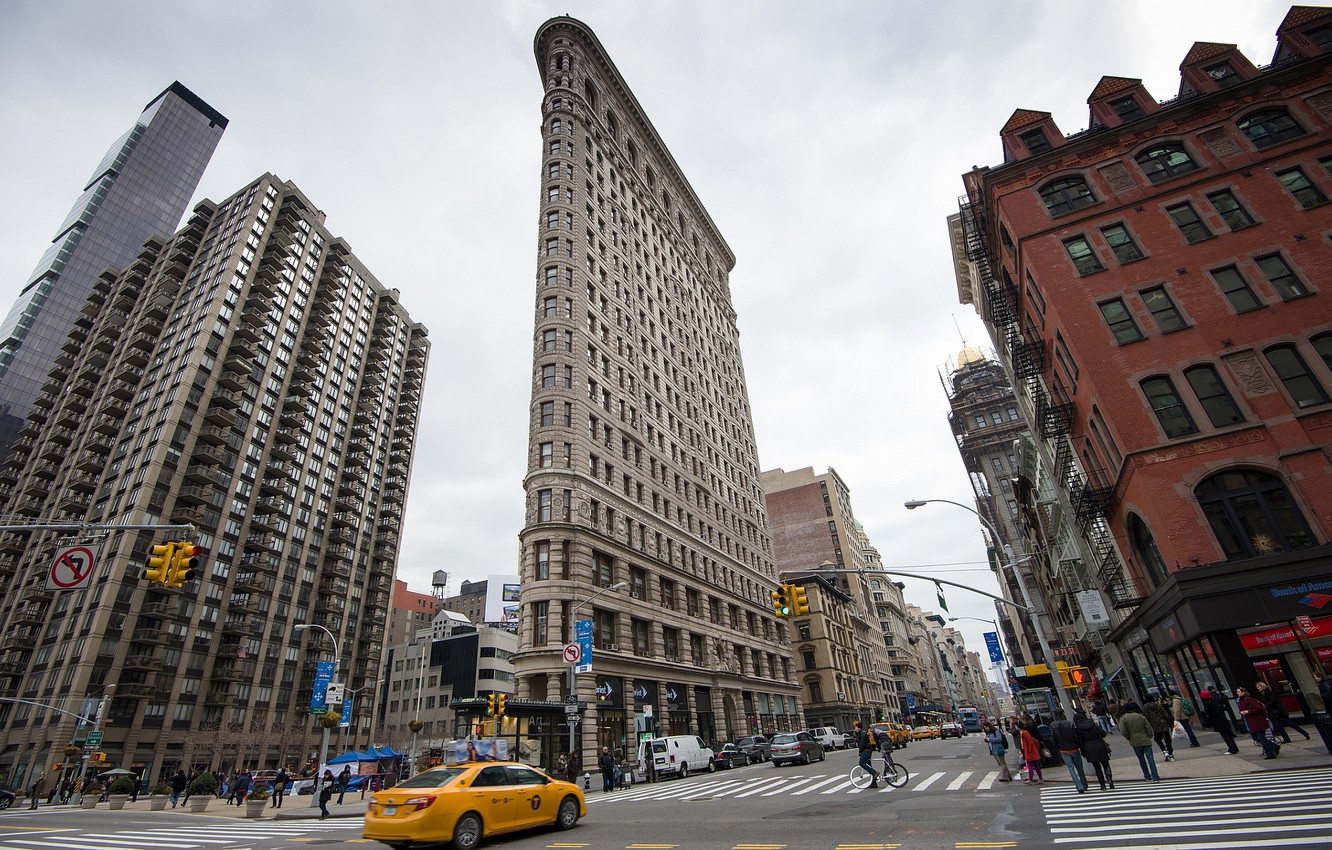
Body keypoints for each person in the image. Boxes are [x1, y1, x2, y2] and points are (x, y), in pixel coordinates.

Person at [1118, 701, 1159, 782]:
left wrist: (1129, 737)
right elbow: (1148, 728)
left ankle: (1147, 776)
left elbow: (1123, 731)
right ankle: (1155, 776)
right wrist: (1150, 736)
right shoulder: (1140, 716)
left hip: (1135, 741)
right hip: (1145, 739)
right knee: (1150, 758)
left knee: (1141, 760)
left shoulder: (1123, 718)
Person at [1050, 710, 1088, 793]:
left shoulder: (1053, 725)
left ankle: (1079, 786)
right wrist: (1078, 745)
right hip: (1074, 747)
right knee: (1079, 768)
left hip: (1063, 749)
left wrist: (1058, 748)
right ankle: (1084, 784)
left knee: (1071, 768)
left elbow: (1053, 738)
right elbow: (1076, 736)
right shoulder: (1070, 723)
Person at [1237, 686, 1280, 759]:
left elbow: (1258, 708)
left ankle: (1270, 753)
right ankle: (1274, 746)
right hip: (1250, 722)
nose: (1237, 693)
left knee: (1261, 738)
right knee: (1256, 737)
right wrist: (1241, 712)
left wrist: (1248, 711)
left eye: (1238, 691)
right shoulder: (1240, 700)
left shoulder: (1248, 699)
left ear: (1243, 692)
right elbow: (1242, 709)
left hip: (1257, 721)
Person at [1074, 709, 1113, 790]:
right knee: (1106, 764)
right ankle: (1109, 778)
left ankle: (1102, 785)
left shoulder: (1078, 729)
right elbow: (1103, 734)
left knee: (1097, 767)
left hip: (1089, 748)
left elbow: (1080, 742)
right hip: (1100, 745)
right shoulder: (1093, 724)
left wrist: (1083, 752)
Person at [1198, 689, 1239, 754]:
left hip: (1218, 721)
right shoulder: (1213, 702)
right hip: (1223, 719)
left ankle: (1232, 749)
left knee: (1225, 735)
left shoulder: (1207, 704)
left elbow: (1208, 712)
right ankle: (1234, 748)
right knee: (1228, 734)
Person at [1142, 696, 1175, 762]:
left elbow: (1146, 717)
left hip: (1154, 725)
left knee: (1157, 739)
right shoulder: (1158, 705)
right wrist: (1167, 720)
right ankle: (1170, 753)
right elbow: (1164, 714)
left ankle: (1164, 750)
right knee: (1167, 739)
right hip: (1163, 723)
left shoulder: (1146, 707)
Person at [853, 721, 881, 788]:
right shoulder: (860, 733)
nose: (855, 729)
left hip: (866, 750)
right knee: (869, 766)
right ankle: (874, 783)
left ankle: (875, 773)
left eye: (856, 728)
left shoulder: (862, 733)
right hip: (867, 750)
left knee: (861, 762)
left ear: (859, 728)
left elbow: (862, 743)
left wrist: (860, 751)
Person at [1019, 720, 1044, 785]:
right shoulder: (1023, 732)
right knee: (1035, 765)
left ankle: (1031, 779)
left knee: (1030, 765)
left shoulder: (1024, 733)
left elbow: (1030, 742)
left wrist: (1029, 751)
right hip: (1030, 751)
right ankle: (1040, 779)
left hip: (1030, 752)